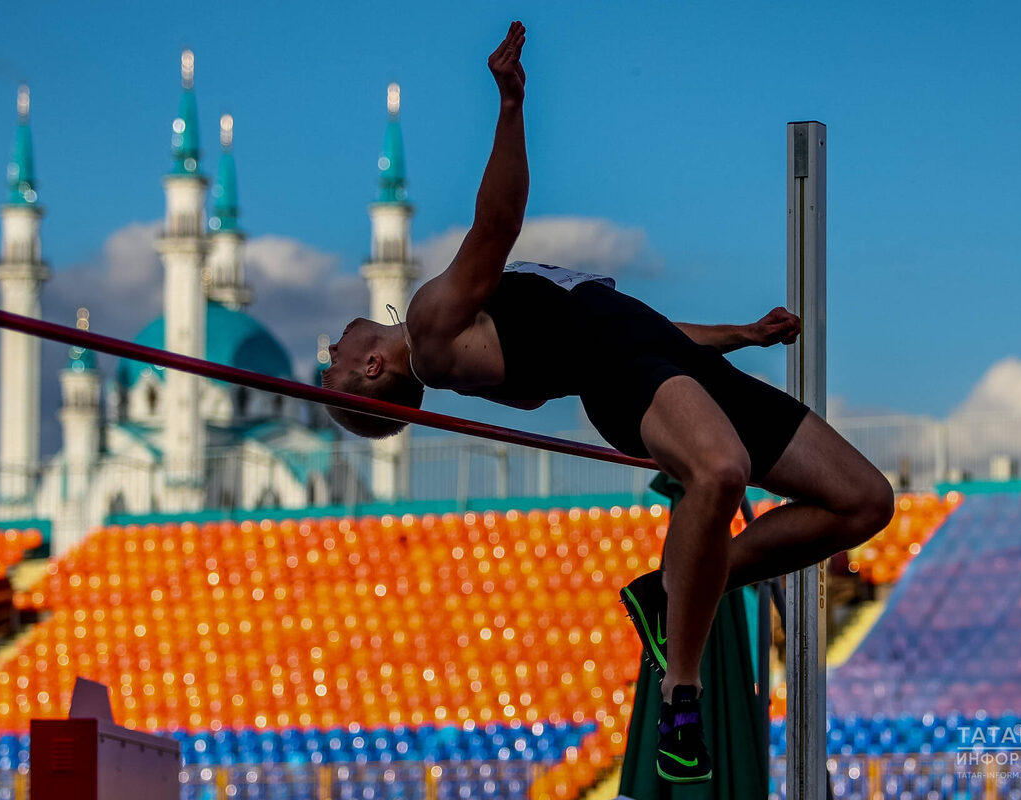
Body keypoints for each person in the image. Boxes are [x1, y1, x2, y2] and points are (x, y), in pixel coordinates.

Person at [322, 21, 894, 784]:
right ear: (368, 368)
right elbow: (500, 226)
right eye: (331, 364)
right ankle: (681, 687)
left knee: (864, 502)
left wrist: (742, 334)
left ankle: (681, 586)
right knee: (719, 471)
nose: (329, 344)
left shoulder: (472, 339)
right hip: (631, 379)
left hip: (671, 360)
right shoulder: (432, 328)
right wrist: (511, 108)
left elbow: (636, 328)